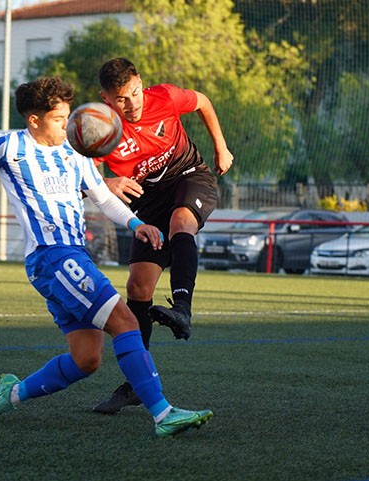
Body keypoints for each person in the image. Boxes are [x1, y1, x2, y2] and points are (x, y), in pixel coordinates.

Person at [0, 77, 213, 437]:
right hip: (51, 256)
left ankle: (11, 394)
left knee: (87, 359)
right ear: (34, 120)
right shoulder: (9, 146)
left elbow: (101, 195)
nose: (67, 125)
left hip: (69, 257)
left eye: (68, 117)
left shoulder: (75, 151)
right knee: (126, 321)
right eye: (58, 119)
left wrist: (136, 223)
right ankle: (163, 414)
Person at [92, 58, 234, 414]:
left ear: (142, 82)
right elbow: (84, 180)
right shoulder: (100, 130)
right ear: (106, 99)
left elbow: (202, 100)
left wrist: (220, 146)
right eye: (122, 98)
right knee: (138, 288)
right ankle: (138, 385)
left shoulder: (165, 97)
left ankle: (182, 309)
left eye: (136, 92)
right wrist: (107, 181)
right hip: (148, 201)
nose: (133, 103)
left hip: (189, 176)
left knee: (181, 222)